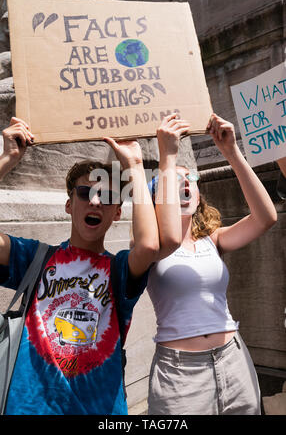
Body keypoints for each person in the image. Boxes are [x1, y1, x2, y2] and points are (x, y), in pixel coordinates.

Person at [0, 114, 188, 415]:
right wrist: (7, 157)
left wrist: (135, 167)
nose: (96, 201)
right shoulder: (34, 258)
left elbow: (151, 245)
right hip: (29, 408)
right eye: (86, 192)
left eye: (108, 196)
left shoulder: (120, 271)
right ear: (68, 204)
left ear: (116, 212)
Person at [147, 113, 277, 416]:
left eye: (190, 180)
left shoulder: (214, 239)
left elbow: (266, 218)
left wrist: (232, 152)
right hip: (180, 376)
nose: (185, 185)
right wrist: (168, 155)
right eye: (174, 182)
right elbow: (163, 236)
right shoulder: (149, 247)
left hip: (234, 361)